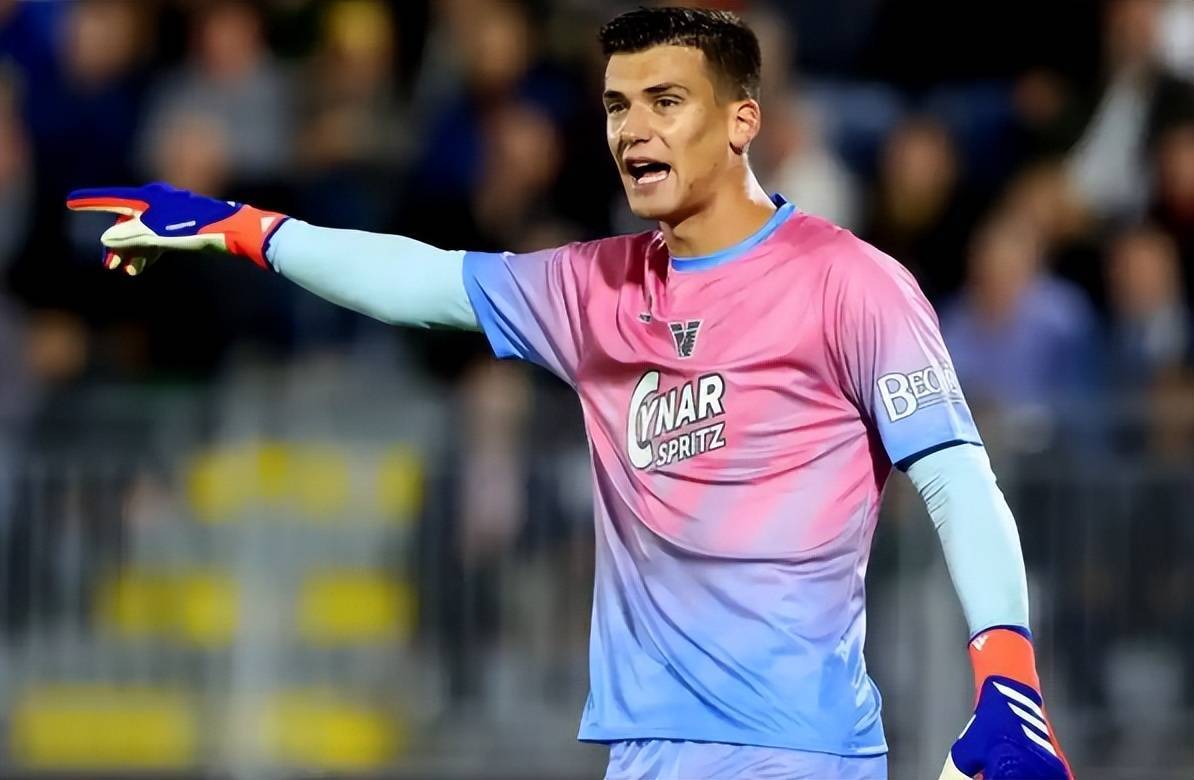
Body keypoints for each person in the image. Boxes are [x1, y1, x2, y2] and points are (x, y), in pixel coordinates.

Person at [66, 8, 1071, 780]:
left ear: (742, 121)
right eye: (617, 106)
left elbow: (958, 481)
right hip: (640, 751)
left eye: (665, 101)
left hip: (791, 750)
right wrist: (240, 227)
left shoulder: (848, 282)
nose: (633, 129)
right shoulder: (594, 288)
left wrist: (1008, 675)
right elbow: (421, 279)